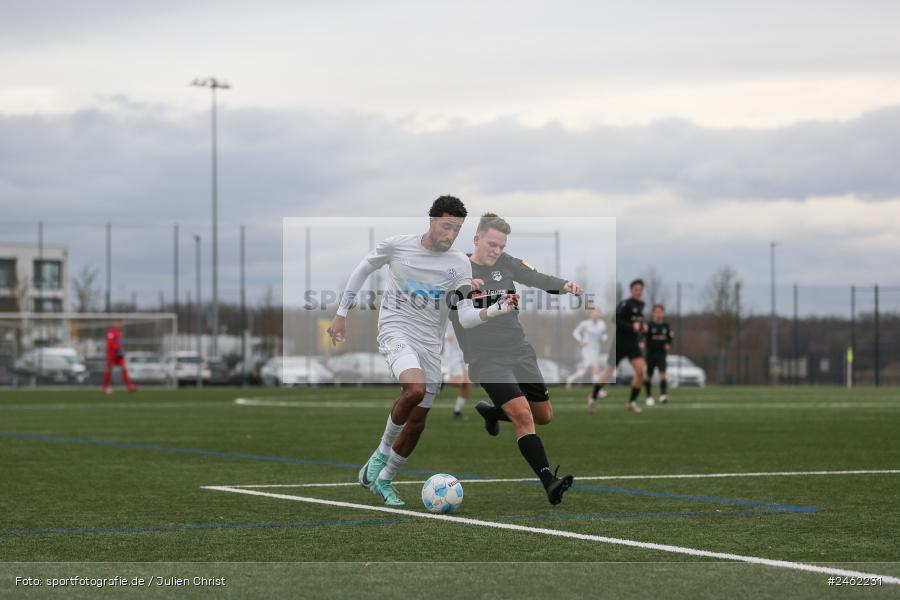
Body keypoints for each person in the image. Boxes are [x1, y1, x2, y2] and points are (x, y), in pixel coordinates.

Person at [328, 196, 514, 506]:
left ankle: (384, 481)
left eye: (457, 229)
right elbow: (363, 268)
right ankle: (380, 455)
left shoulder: (459, 263)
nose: (451, 234)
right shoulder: (398, 246)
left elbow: (466, 318)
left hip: (431, 344)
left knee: (417, 422)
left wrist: (496, 308)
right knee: (414, 389)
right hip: (396, 329)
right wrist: (341, 313)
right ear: (431, 221)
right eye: (446, 226)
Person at [453, 213, 583, 505]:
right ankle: (549, 481)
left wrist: (565, 285)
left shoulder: (507, 262)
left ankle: (495, 412)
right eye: (491, 244)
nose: (496, 251)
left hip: (519, 351)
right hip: (486, 360)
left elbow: (536, 278)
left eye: (501, 246)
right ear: (477, 239)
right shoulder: (458, 268)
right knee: (524, 416)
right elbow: (455, 310)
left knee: (544, 416)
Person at [589, 279, 647, 414]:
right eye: (636, 289)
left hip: (633, 345)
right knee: (608, 372)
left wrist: (642, 330)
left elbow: (638, 323)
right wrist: (632, 326)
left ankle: (631, 402)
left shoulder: (641, 305)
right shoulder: (625, 303)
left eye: (640, 289)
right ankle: (593, 397)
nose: (638, 292)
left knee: (640, 371)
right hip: (620, 344)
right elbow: (615, 319)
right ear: (631, 290)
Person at [565, 308, 608, 396]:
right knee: (594, 369)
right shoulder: (585, 324)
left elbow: (604, 335)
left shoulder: (602, 324)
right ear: (591, 315)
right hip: (587, 349)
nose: (595, 316)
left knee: (587, 370)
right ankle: (599, 391)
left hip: (596, 349)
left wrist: (603, 338)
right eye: (594, 314)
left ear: (600, 316)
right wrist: (580, 340)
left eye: (597, 315)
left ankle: (570, 378)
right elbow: (575, 332)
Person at [644, 304, 673, 405]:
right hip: (651, 354)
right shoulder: (649, 325)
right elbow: (643, 336)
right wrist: (642, 343)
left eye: (660, 312)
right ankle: (648, 396)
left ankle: (663, 395)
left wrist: (668, 344)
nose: (658, 314)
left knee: (662, 375)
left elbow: (670, 338)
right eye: (656, 312)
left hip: (662, 355)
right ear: (653, 313)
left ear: (663, 313)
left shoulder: (666, 326)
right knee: (649, 376)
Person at [441, 322, 470, 420]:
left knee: (466, 383)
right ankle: (442, 379)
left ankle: (457, 412)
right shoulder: (449, 311)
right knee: (460, 382)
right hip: (451, 352)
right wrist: (445, 336)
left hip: (462, 352)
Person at [103, 319, 137, 394]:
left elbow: (119, 343)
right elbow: (110, 343)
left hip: (118, 355)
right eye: (118, 323)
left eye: (120, 323)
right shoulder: (111, 331)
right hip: (111, 355)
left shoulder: (119, 332)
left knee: (124, 368)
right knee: (108, 370)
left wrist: (120, 350)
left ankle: (130, 386)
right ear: (115, 323)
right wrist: (116, 349)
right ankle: (105, 387)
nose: (119, 324)